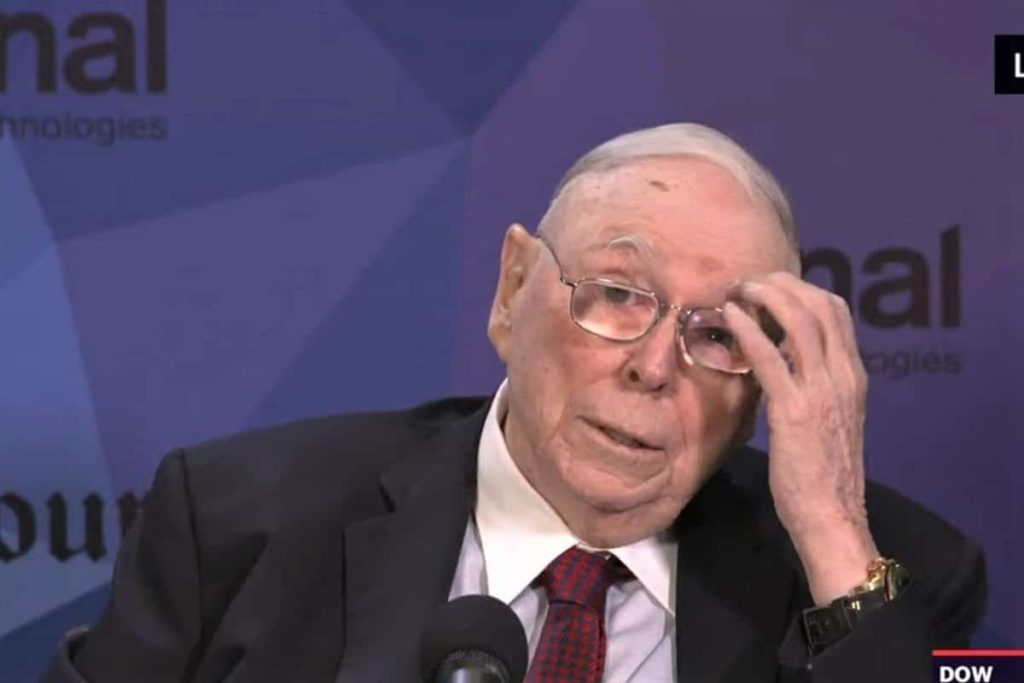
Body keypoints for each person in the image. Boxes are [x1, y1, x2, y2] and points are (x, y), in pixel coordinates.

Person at [46, 124, 986, 682]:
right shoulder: (236, 525)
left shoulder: (889, 577)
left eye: (718, 334)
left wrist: (832, 531)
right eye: (619, 293)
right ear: (512, 291)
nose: (654, 367)